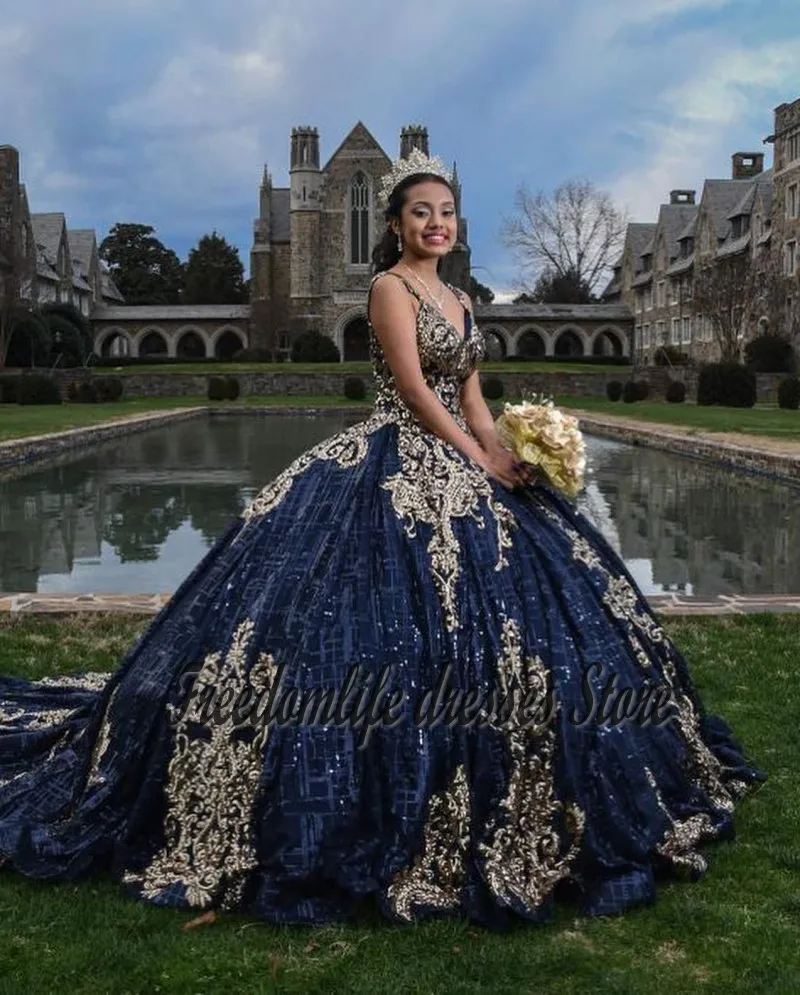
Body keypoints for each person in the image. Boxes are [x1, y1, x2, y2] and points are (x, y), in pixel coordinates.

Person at [0, 149, 764, 932]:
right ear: (396, 224)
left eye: (446, 212)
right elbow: (412, 389)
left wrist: (509, 449)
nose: (436, 223)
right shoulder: (388, 288)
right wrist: (480, 460)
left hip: (467, 458)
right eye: (421, 212)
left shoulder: (462, 299)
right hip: (392, 460)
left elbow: (470, 397)